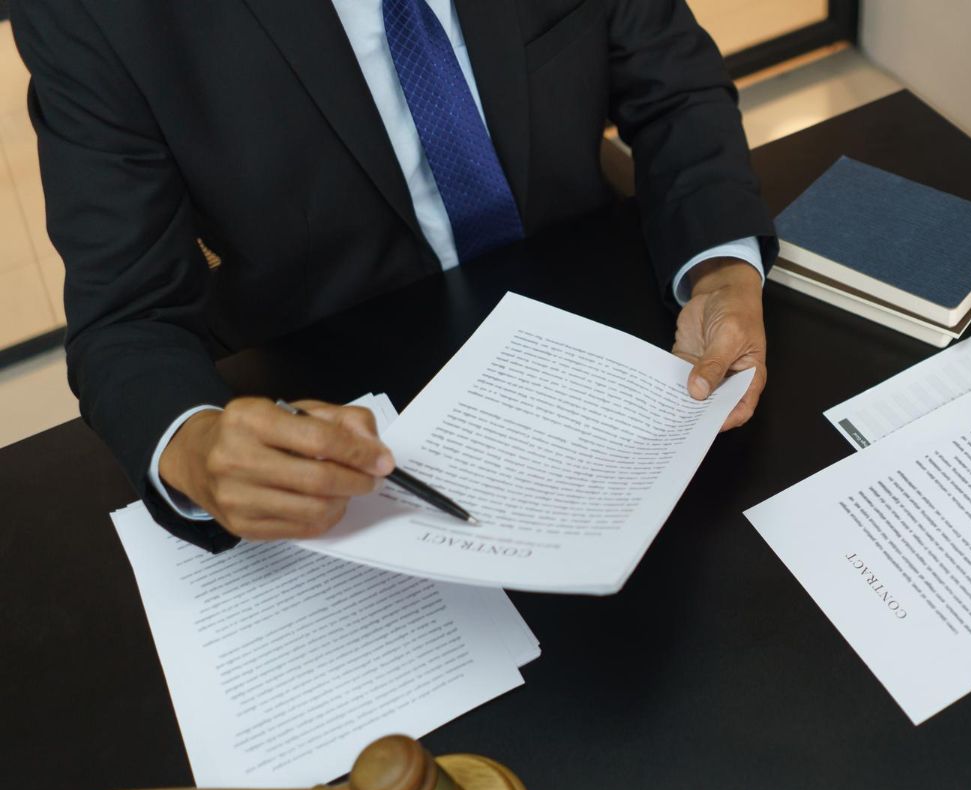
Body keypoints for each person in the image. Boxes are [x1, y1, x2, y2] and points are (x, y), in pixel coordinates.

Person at [13, 0, 776, 552]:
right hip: (343, 412)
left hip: (598, 339)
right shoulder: (96, 14)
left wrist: (719, 265)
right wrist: (193, 445)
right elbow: (125, 316)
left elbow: (674, 88)